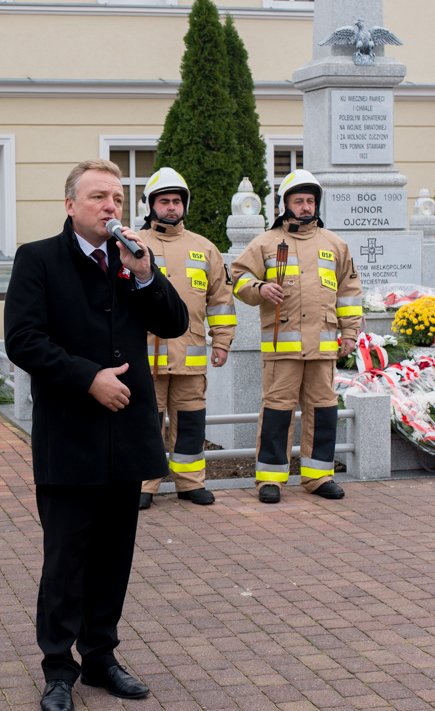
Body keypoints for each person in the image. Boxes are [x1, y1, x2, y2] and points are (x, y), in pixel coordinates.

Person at [4, 159, 188, 711]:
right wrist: (88, 377)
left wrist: (147, 273)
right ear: (70, 206)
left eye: (116, 197)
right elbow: (23, 341)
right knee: (66, 557)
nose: (111, 206)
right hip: (70, 435)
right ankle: (59, 668)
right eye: (98, 197)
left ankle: (102, 656)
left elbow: (175, 323)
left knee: (114, 556)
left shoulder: (130, 260)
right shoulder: (37, 259)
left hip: (125, 435)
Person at [230, 169, 362, 504]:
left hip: (323, 345)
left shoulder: (335, 244)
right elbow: (238, 278)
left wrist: (350, 333)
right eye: (298, 200)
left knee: (324, 409)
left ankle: (319, 476)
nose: (305, 206)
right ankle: (270, 480)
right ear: (285, 204)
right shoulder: (265, 242)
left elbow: (349, 293)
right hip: (282, 348)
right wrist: (259, 287)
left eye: (310, 201)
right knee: (277, 411)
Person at [137, 168, 236, 509]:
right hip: (146, 356)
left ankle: (190, 484)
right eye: (163, 201)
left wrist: (222, 341)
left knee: (191, 422)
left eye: (176, 201)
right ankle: (143, 485)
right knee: (146, 423)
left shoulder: (205, 249)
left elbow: (221, 301)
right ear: (151, 206)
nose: (171, 208)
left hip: (191, 358)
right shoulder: (133, 245)